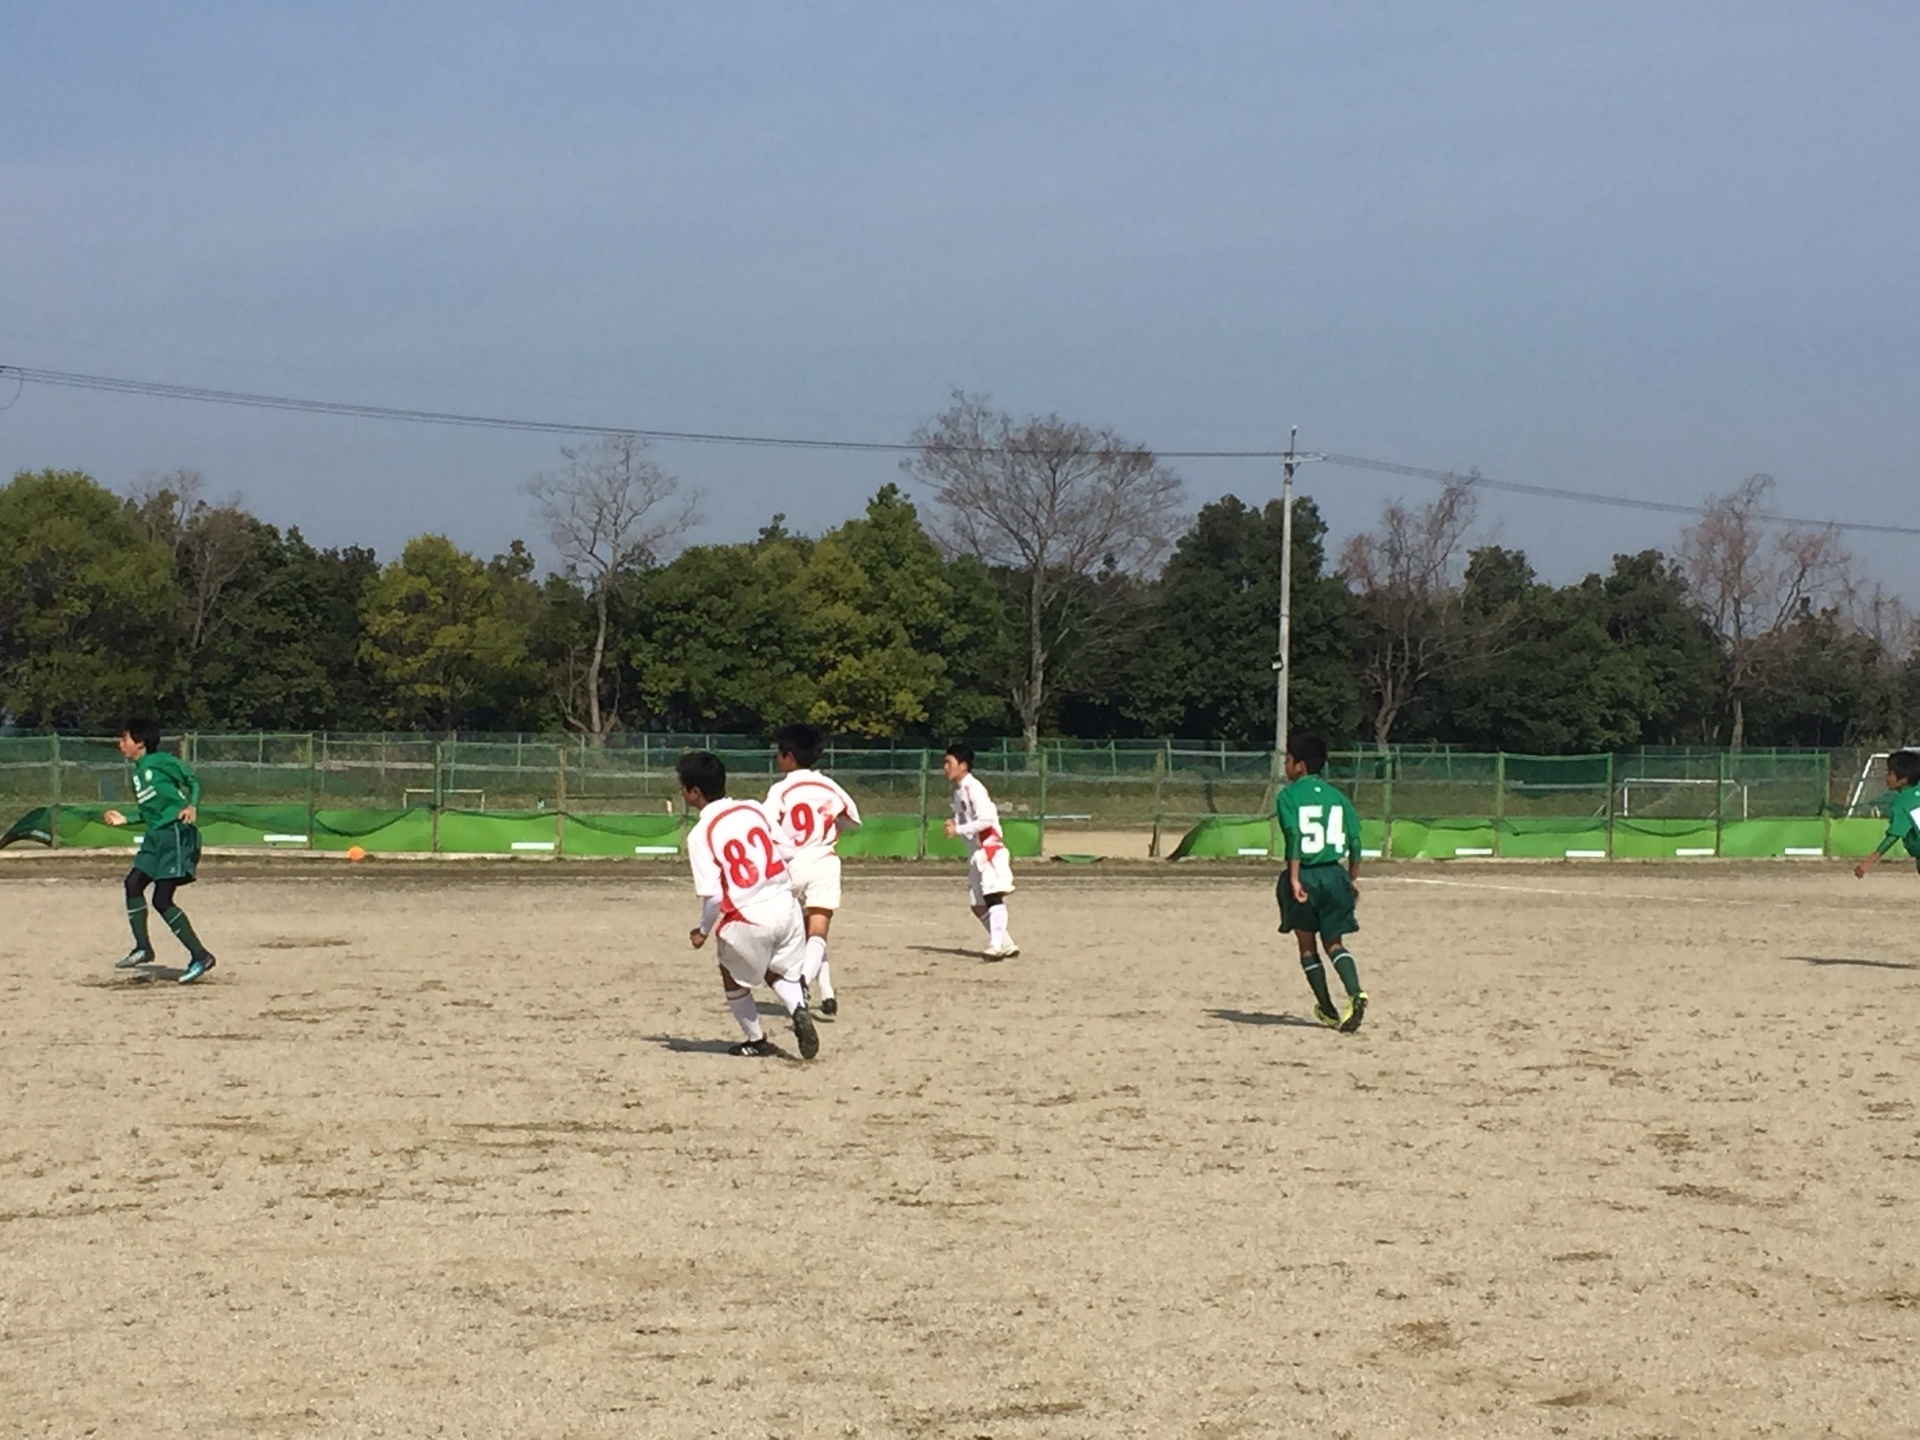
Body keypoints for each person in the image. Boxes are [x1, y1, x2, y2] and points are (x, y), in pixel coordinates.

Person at [678, 750, 819, 1060]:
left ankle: (756, 1039)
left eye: (683, 787)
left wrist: (702, 931)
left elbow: (714, 896)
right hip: (786, 905)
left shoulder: (700, 834)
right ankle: (797, 1008)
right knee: (778, 970)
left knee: (731, 969)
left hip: (749, 915)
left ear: (694, 792)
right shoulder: (753, 809)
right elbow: (789, 851)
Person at [104, 720, 218, 984]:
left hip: (174, 833)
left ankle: (200, 956)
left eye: (124, 739)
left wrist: (192, 805)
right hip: (154, 837)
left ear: (140, 742)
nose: (120, 744)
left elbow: (192, 780)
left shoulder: (161, 761)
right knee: (133, 883)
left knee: (162, 899)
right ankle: (143, 947)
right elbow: (147, 813)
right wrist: (125, 819)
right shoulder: (136, 773)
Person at [765, 723, 862, 1016]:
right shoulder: (830, 786)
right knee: (818, 930)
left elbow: (766, 825)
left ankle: (805, 984)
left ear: (789, 757)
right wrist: (829, 828)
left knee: (790, 935)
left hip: (791, 864)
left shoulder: (781, 789)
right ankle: (814, 984)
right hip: (824, 859)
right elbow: (852, 820)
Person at [1274, 732, 1366, 1032]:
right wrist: (1352, 879)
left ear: (1300, 766)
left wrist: (1295, 878)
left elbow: (1294, 837)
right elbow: (1355, 840)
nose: (1285, 766)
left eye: (1288, 761)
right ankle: (1356, 993)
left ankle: (1327, 1008)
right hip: (1336, 874)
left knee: (1306, 943)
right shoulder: (1338, 797)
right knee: (1335, 943)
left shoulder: (1288, 797)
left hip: (1308, 874)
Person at [943, 743, 1018, 959]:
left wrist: (958, 829)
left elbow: (985, 820)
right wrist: (956, 825)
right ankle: (1007, 944)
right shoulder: (958, 791)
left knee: (992, 896)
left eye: (949, 763)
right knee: (977, 904)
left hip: (990, 849)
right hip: (976, 852)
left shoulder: (973, 788)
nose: (945, 768)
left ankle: (995, 946)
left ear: (964, 765)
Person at [1854, 748, 1920, 880]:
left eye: (1890, 773)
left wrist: (1868, 862)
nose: (1887, 777)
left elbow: (1894, 834)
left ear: (1904, 780)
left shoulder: (1903, 802)